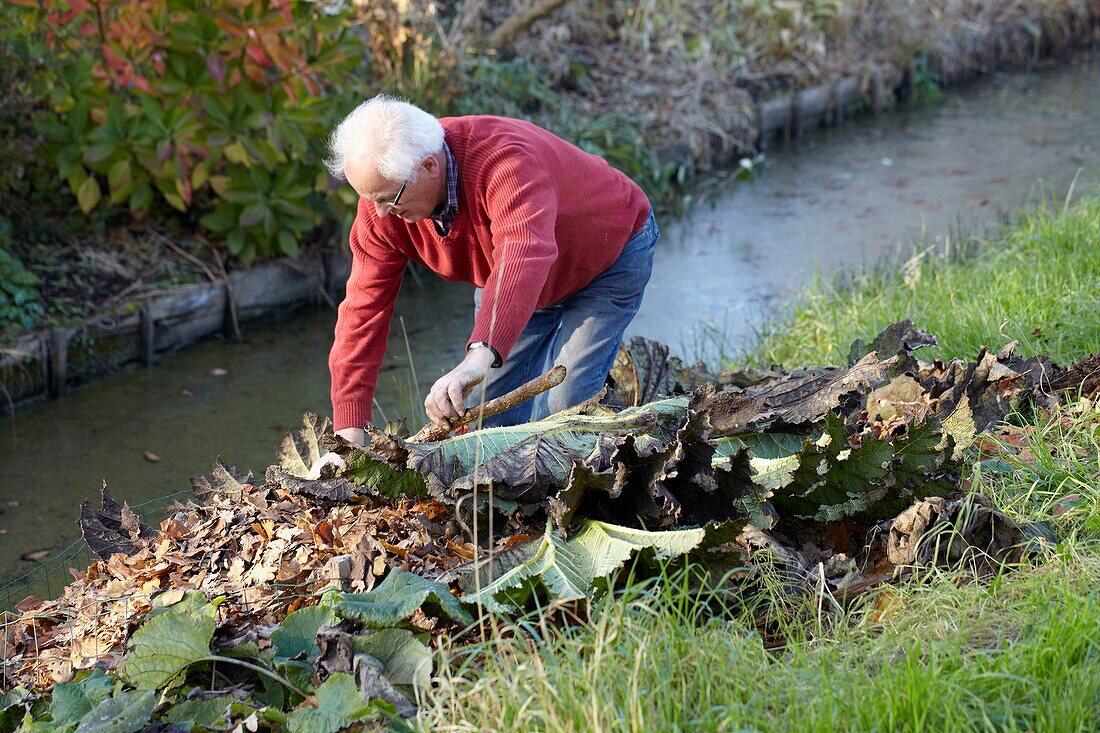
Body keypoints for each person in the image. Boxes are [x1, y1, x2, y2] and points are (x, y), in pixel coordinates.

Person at [321, 95, 659, 454]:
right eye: (369, 198)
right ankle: (513, 503)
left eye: (389, 198)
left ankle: (620, 469)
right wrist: (349, 430)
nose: (380, 213)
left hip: (608, 254)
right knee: (484, 423)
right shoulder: (385, 198)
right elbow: (362, 313)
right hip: (513, 281)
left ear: (429, 167)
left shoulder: (505, 160)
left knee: (568, 406)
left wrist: (478, 356)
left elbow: (524, 251)